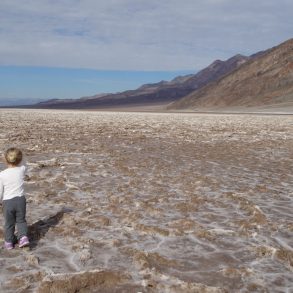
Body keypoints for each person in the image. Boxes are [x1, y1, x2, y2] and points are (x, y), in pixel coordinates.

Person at [0, 147, 29, 249]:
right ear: (20, 159)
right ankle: (23, 237)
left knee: (9, 223)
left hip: (7, 202)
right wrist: (22, 158)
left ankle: (8, 242)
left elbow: (0, 191)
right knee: (21, 221)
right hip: (20, 200)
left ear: (5, 159)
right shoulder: (21, 170)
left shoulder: (2, 174)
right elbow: (25, 164)